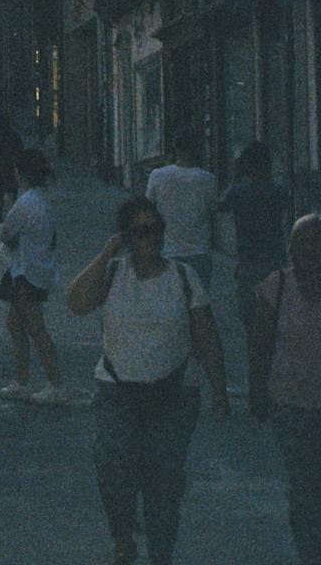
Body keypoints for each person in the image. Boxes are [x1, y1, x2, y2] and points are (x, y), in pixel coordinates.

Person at [68, 194, 229, 565]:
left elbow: (206, 336)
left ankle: (161, 554)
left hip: (172, 394)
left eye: (156, 230)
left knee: (164, 482)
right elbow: (76, 302)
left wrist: (220, 392)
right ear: (126, 236)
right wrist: (106, 254)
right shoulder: (112, 274)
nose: (151, 238)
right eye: (141, 232)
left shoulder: (183, 278)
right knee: (113, 466)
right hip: (118, 391)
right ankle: (123, 536)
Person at [250, 212, 321, 565]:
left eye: (317, 244)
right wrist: (258, 393)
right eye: (303, 244)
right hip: (292, 406)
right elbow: (260, 345)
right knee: (306, 485)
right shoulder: (275, 286)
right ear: (291, 249)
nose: (311, 252)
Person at [217, 140, 290, 385]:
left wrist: (237, 176)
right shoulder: (279, 191)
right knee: (277, 331)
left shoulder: (238, 192)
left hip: (249, 267)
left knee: (252, 332)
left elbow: (220, 206)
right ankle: (276, 382)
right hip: (276, 266)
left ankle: (257, 389)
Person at [0, 148, 66, 405]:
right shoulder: (41, 201)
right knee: (15, 325)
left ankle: (54, 383)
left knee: (36, 328)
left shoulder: (24, 203)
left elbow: (6, 233)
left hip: (27, 272)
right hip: (33, 268)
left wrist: (6, 209)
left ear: (20, 174)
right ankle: (23, 380)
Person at [145, 127, 217, 288]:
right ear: (197, 149)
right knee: (199, 301)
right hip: (199, 250)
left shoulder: (157, 176)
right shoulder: (208, 179)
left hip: (168, 251)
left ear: (175, 148)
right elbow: (212, 209)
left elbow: (148, 209)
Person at [0, 111, 25, 213]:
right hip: (11, 168)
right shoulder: (15, 136)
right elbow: (20, 151)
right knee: (12, 192)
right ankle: (12, 213)